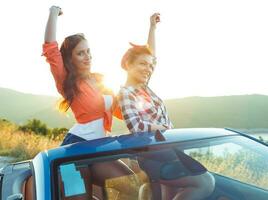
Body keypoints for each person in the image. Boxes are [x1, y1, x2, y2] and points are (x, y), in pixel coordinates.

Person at [118, 13, 215, 200]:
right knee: (205, 182)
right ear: (128, 65)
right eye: (142, 64)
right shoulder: (126, 93)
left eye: (150, 65)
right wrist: (163, 128)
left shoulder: (145, 87)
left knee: (168, 196)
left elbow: (151, 55)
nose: (148, 68)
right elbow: (136, 128)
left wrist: (152, 28)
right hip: (152, 157)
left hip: (168, 149)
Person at [43, 6, 121, 145]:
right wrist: (54, 13)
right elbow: (50, 49)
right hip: (78, 144)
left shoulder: (101, 79)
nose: (87, 57)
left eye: (88, 51)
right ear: (70, 59)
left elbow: (120, 112)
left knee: (127, 166)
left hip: (100, 144)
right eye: (80, 53)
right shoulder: (66, 80)